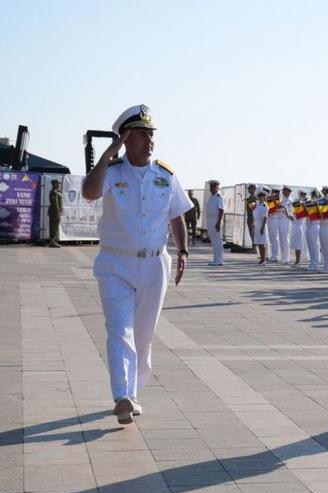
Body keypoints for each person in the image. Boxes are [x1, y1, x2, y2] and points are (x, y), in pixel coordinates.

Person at [81, 104, 192, 425]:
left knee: (143, 335)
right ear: (126, 138)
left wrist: (183, 251)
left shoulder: (165, 175)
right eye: (141, 133)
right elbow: (90, 193)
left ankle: (133, 393)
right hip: (115, 263)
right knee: (119, 330)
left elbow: (176, 214)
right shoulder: (112, 172)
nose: (149, 139)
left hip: (155, 264)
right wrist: (108, 153)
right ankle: (122, 396)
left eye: (151, 134)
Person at [205, 180, 224, 266]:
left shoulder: (219, 197)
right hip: (210, 219)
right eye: (210, 187)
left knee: (217, 241)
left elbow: (221, 210)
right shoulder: (211, 197)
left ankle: (219, 260)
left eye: (213, 187)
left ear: (217, 187)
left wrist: (218, 222)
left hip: (216, 219)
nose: (211, 188)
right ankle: (216, 259)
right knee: (213, 240)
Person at [305, 190, 322, 271]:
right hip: (308, 225)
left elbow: (319, 214)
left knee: (315, 246)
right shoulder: (310, 203)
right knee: (310, 246)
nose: (313, 196)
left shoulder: (318, 203)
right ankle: (312, 262)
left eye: (314, 195)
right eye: (312, 195)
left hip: (315, 225)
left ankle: (316, 263)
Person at [253, 190, 269, 264]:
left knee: (262, 243)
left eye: (262, 196)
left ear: (264, 197)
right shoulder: (256, 204)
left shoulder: (265, 206)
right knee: (258, 242)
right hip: (256, 224)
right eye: (259, 196)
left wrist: (262, 227)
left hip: (262, 224)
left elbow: (265, 217)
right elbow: (253, 214)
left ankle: (263, 259)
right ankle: (261, 259)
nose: (260, 198)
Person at [265, 189, 281, 262]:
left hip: (274, 219)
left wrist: (271, 213)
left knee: (274, 237)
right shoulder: (269, 199)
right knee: (271, 238)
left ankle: (276, 256)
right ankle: (273, 254)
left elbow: (277, 208)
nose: (273, 194)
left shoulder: (277, 200)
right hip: (270, 219)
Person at [47, 179, 63, 248]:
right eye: (57, 184)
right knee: (53, 227)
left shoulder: (56, 192)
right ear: (54, 184)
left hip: (56, 212)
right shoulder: (53, 192)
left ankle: (54, 241)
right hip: (54, 212)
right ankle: (52, 242)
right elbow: (55, 204)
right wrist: (57, 212)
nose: (59, 185)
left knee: (55, 227)